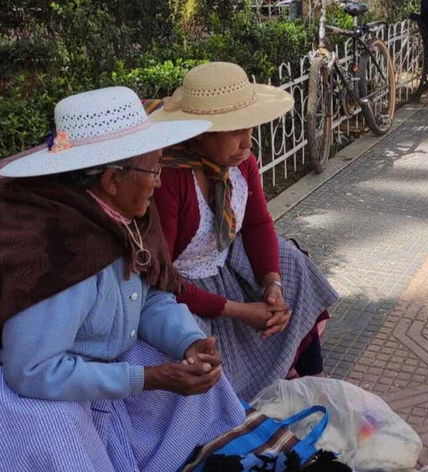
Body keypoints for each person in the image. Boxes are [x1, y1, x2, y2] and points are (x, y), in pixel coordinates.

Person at [0, 86, 246, 471]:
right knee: (55, 437)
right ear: (113, 180)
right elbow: (32, 371)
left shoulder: (125, 219)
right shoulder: (57, 248)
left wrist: (189, 341)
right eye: (153, 169)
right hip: (33, 388)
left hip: (96, 357)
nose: (160, 182)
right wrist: (146, 378)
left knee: (188, 376)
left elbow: (148, 297)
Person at [150, 62, 339, 402]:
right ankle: (229, 408)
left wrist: (273, 284)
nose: (247, 141)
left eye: (249, 128)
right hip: (181, 285)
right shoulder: (171, 180)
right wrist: (238, 310)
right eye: (234, 131)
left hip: (224, 259)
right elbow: (160, 279)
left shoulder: (242, 162)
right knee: (194, 343)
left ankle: (313, 375)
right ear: (200, 133)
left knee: (292, 262)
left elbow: (257, 223)